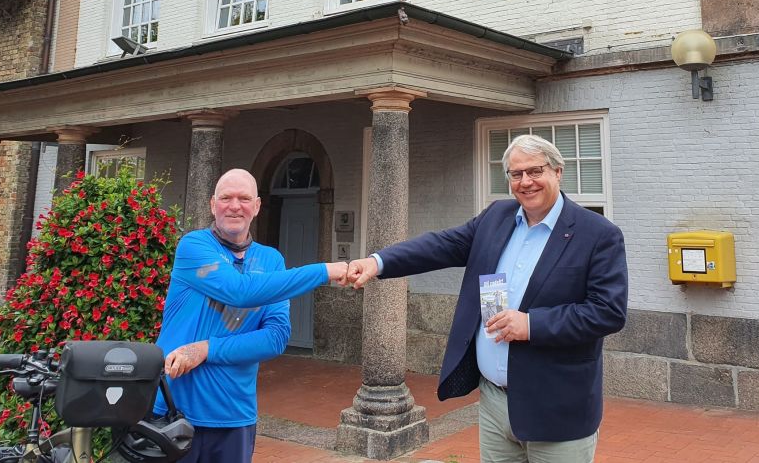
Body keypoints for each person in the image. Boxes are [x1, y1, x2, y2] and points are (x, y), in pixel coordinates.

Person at [349, 134, 628, 463]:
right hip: (495, 403)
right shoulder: (497, 216)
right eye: (516, 174)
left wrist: (531, 324)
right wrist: (378, 262)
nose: (526, 182)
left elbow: (607, 311)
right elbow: (441, 245)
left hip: (558, 408)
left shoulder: (598, 234)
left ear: (557, 171)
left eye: (535, 171)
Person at [154, 168, 349, 463]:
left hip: (234, 415)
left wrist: (207, 349)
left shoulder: (271, 260)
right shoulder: (194, 246)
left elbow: (275, 337)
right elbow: (238, 291)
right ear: (213, 204)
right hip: (172, 411)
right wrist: (324, 271)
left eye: (244, 198)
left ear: (257, 206)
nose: (234, 206)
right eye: (226, 198)